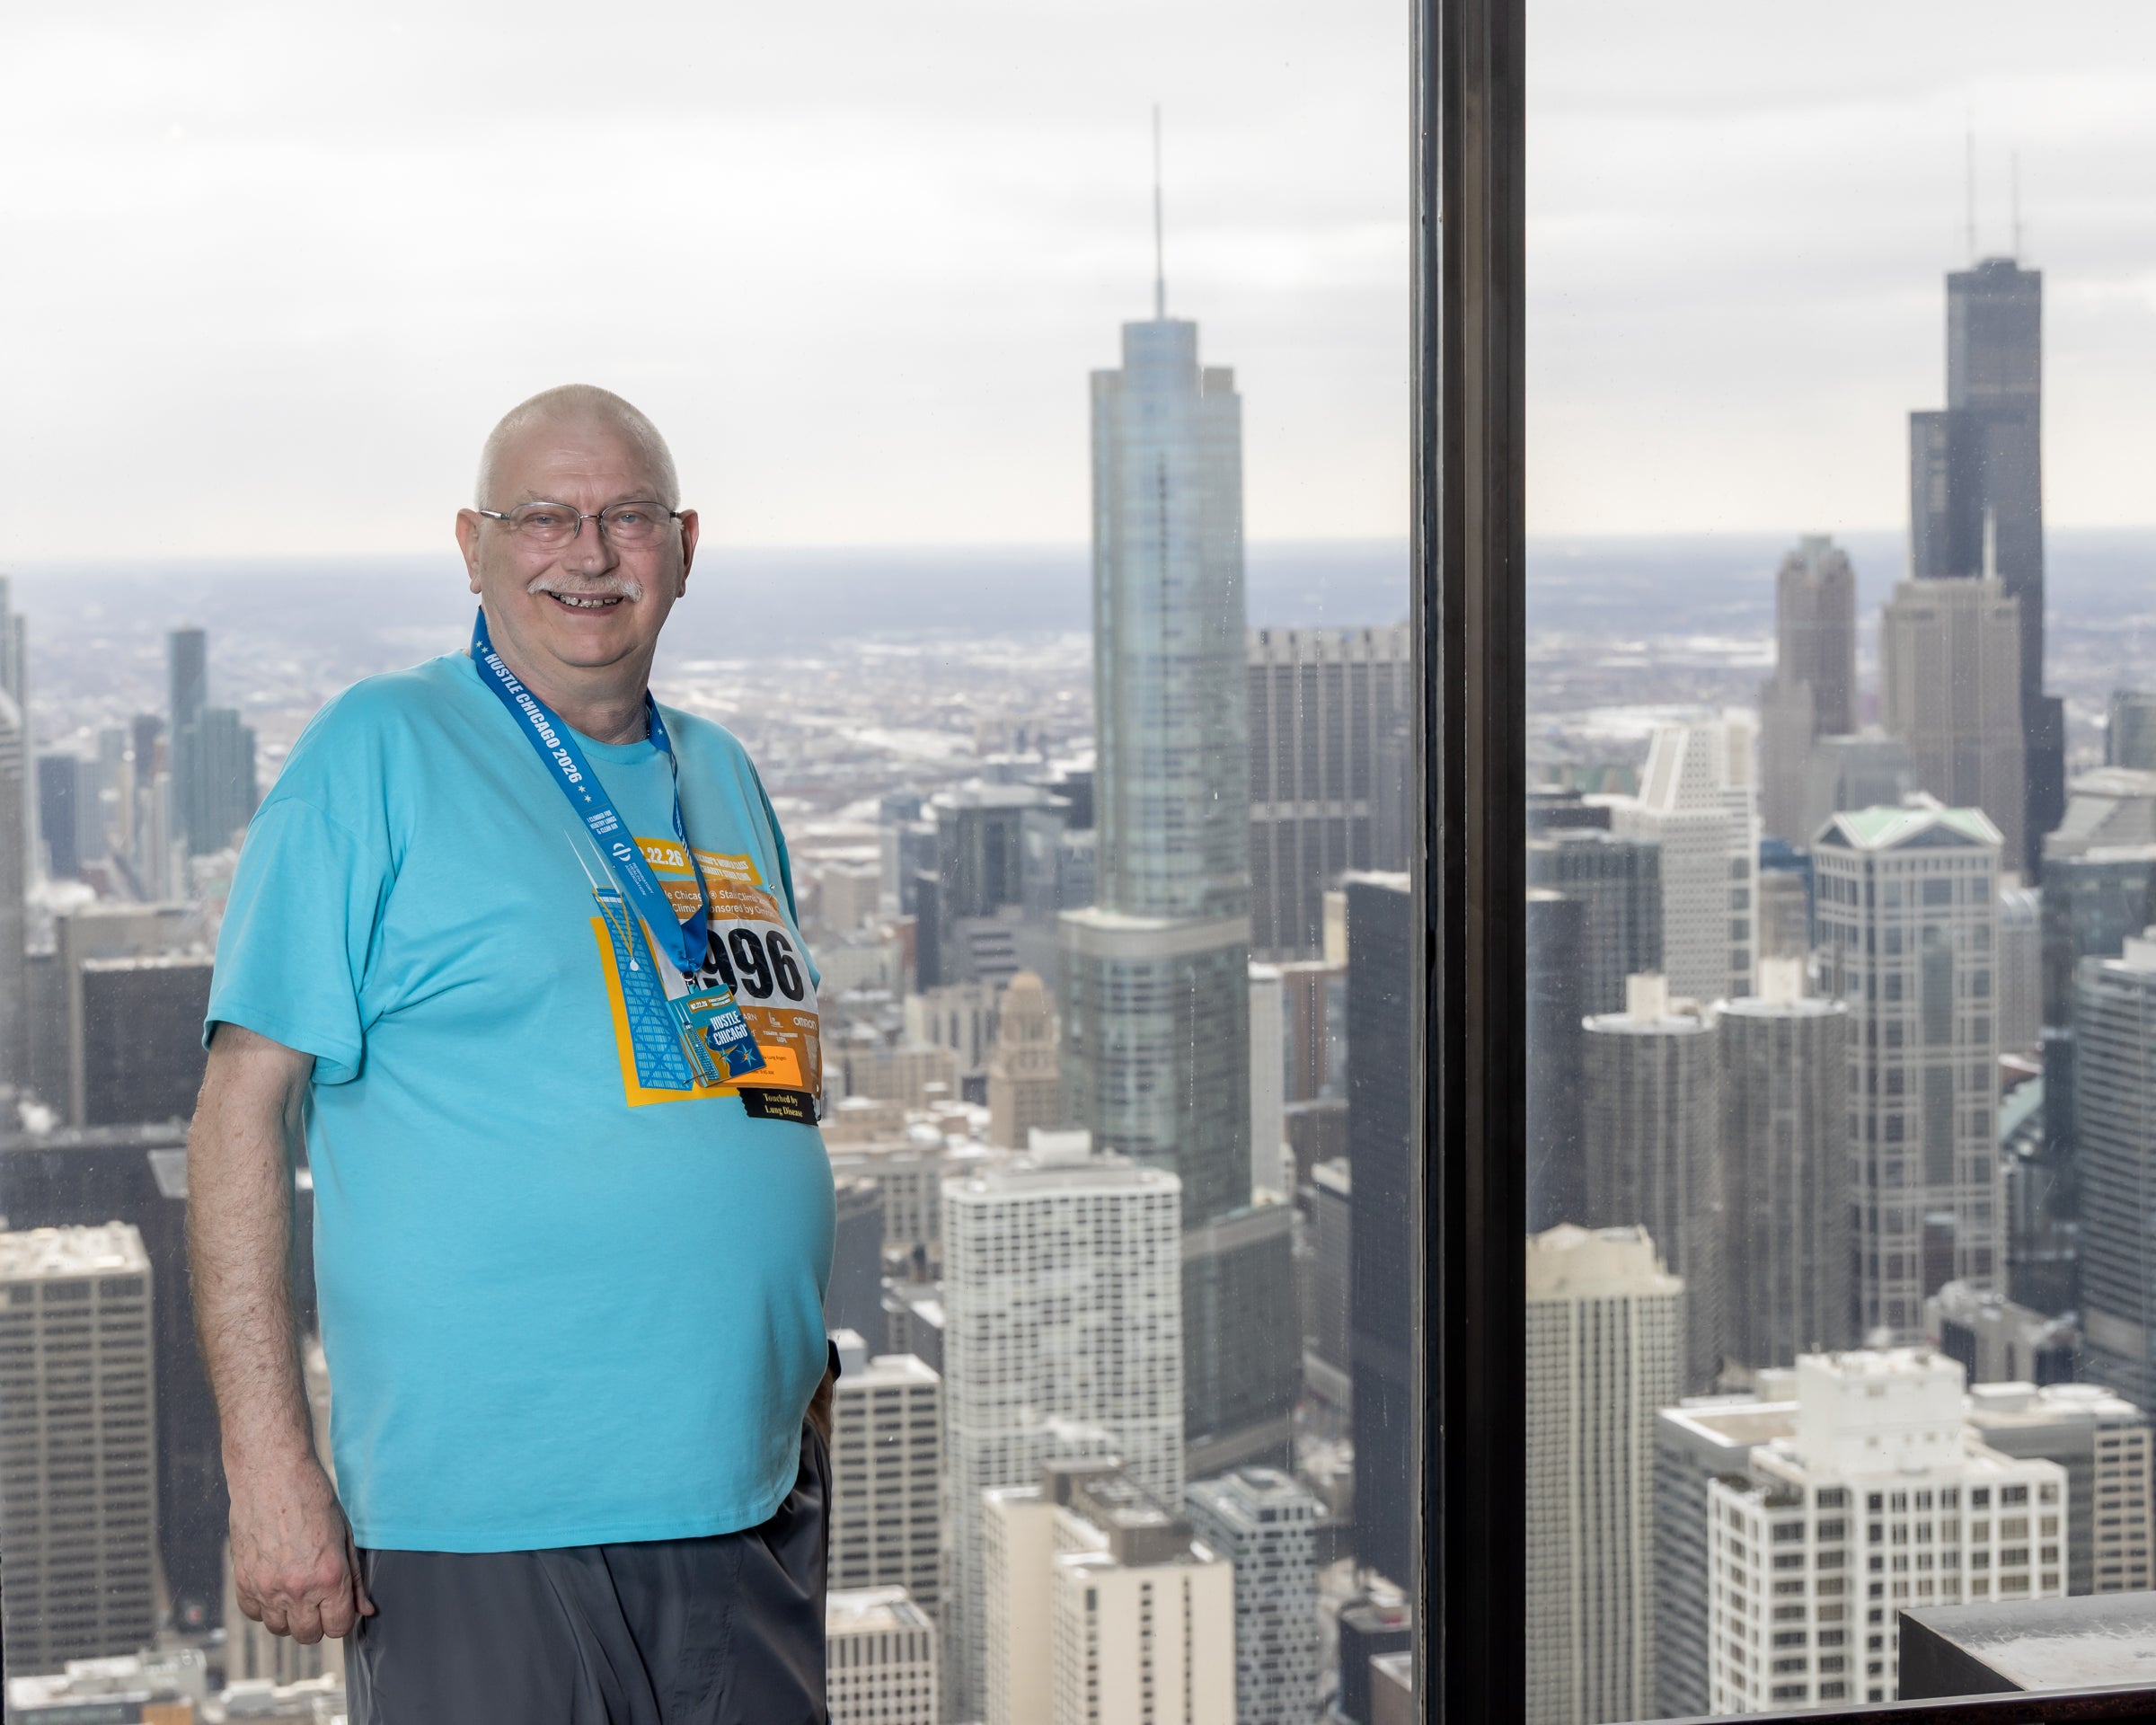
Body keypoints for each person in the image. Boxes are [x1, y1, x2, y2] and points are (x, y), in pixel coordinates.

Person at [187, 385, 837, 1724]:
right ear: (474, 548)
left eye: (627, 517)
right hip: (488, 1522)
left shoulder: (722, 772)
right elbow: (239, 1115)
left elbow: (762, 1086)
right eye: (543, 517)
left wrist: (796, 1373)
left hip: (744, 1503)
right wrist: (266, 1468)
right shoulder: (378, 748)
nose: (587, 553)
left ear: (687, 546)